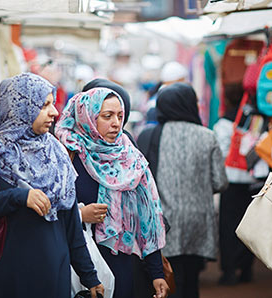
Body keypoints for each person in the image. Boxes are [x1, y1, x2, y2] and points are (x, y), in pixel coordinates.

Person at [0, 73, 104, 298]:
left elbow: (71, 221)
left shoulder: (56, 152)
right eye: (44, 105)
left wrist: (89, 275)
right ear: (21, 107)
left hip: (54, 274)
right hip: (8, 275)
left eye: (52, 104)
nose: (53, 112)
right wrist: (18, 197)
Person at [55, 87, 169, 298]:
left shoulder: (130, 158)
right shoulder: (65, 154)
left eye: (119, 115)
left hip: (120, 261)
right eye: (107, 116)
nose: (116, 123)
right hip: (75, 261)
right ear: (87, 117)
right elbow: (47, 210)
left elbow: (147, 219)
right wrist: (80, 215)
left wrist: (156, 272)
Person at [137, 83, 228, 298]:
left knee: (170, 278)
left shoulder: (150, 135)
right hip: (199, 221)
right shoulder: (207, 136)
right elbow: (221, 182)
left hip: (165, 223)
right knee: (192, 279)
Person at [213, 83, 256, 285]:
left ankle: (229, 271)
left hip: (229, 182)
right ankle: (246, 269)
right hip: (251, 181)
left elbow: (219, 153)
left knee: (228, 227)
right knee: (250, 226)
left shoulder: (222, 124)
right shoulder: (253, 120)